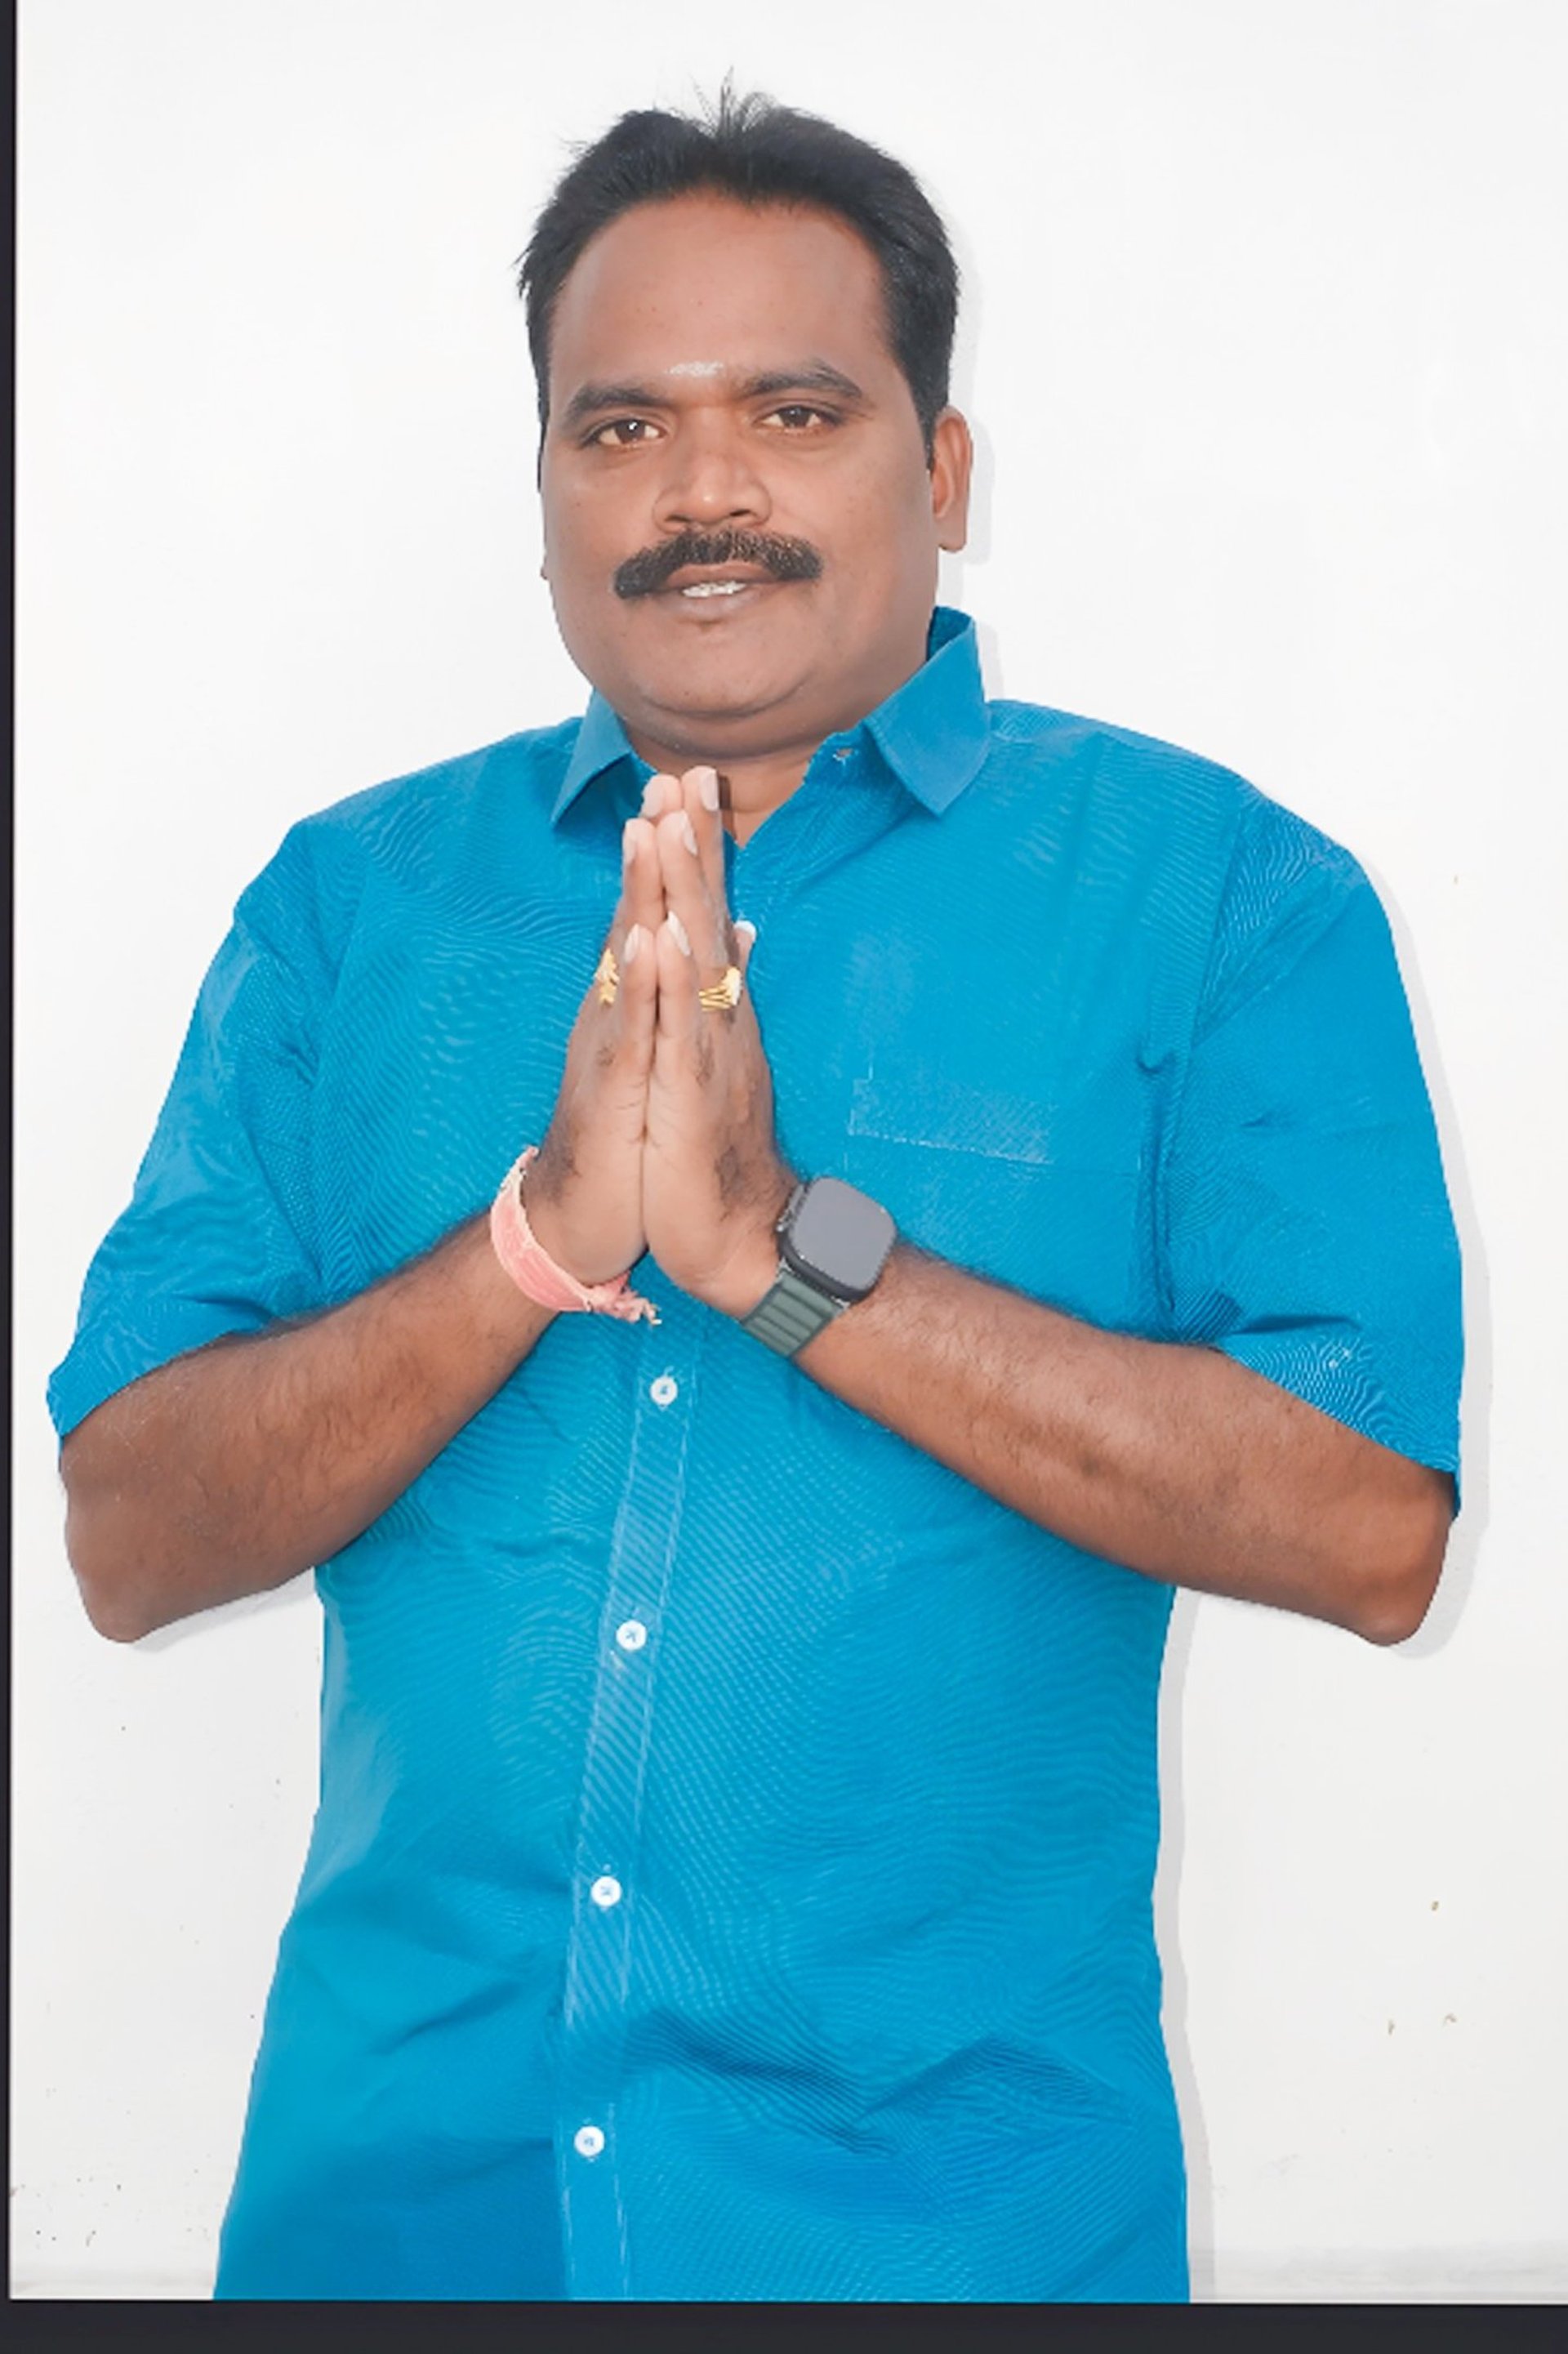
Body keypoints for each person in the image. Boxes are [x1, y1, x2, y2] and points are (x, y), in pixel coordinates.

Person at [50, 88, 1463, 2303]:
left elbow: (1377, 1526)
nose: (704, 488)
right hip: (395, 2230)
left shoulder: (1221, 905)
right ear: (540, 499)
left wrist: (785, 1254)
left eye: (796, 409)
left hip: (956, 2245)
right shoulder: (353, 914)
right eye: (620, 428)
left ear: (946, 471)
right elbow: (127, 1535)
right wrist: (532, 1243)